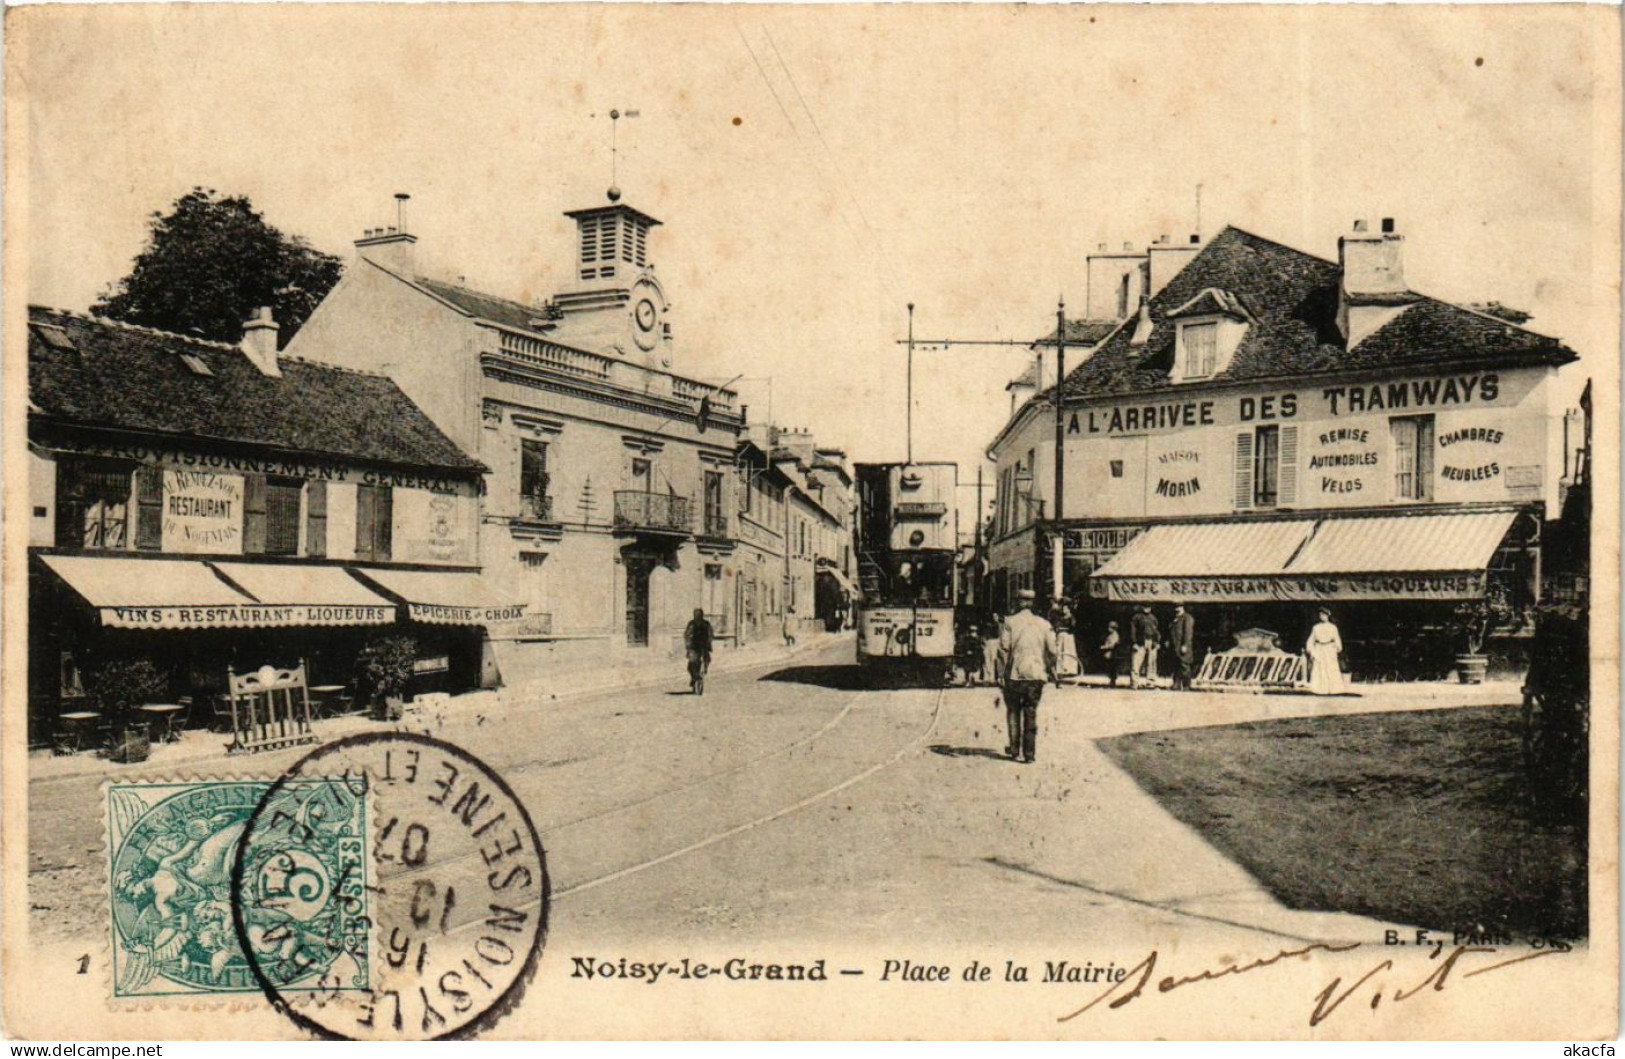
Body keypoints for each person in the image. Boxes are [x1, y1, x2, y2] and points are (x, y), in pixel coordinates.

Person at [997, 589, 1058, 764]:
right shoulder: (1044, 624)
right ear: (1032, 603)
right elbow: (1052, 651)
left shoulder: (1010, 622)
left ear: (1018, 602)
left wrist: (1001, 673)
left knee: (1013, 711)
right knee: (1031, 712)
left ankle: (1015, 749)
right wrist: (1049, 668)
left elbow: (1003, 650)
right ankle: (1029, 754)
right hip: (1036, 675)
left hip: (1015, 675)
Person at [1305, 608, 1345, 695]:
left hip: (1329, 649)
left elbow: (1336, 639)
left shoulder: (1333, 627)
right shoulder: (1316, 627)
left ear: (1327, 616)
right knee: (1320, 668)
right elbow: (1311, 640)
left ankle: (1334, 689)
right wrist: (1311, 650)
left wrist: (1337, 648)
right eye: (1320, 615)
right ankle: (1319, 689)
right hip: (1319, 648)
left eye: (1324, 615)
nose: (1322, 617)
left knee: (1331, 667)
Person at [1130, 605, 1161, 688]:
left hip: (1151, 642)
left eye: (1148, 606)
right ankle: (1134, 682)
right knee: (1136, 663)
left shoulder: (1153, 618)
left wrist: (1157, 642)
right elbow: (1133, 630)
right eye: (1144, 606)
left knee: (1152, 663)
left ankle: (1150, 682)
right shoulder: (1137, 617)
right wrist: (1134, 642)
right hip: (1140, 642)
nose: (1146, 608)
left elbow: (1156, 631)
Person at [684, 608, 714, 695]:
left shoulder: (703, 624)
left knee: (705, 660)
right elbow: (687, 635)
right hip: (697, 647)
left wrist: (709, 642)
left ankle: (700, 673)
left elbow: (710, 634)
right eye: (696, 614)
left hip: (700, 647)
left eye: (697, 614)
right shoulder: (694, 624)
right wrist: (688, 647)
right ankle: (696, 677)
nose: (696, 616)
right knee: (692, 665)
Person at [1168, 602, 1196, 690]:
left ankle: (1186, 685)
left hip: (1182, 646)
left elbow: (1188, 633)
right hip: (1175, 646)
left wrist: (1185, 645)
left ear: (1183, 607)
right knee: (1176, 665)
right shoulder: (1175, 619)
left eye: (1179, 607)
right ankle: (1176, 684)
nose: (1177, 609)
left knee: (1184, 666)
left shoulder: (1187, 618)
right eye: (1176, 607)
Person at [979, 609, 1003, 686]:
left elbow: (1002, 636)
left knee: (994, 660)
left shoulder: (1001, 625)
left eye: (996, 616)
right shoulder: (988, 625)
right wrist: (983, 642)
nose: (994, 617)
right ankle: (986, 678)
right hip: (988, 642)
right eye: (993, 616)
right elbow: (984, 635)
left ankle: (993, 678)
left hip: (996, 642)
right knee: (987, 660)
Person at [1099, 621, 1123, 687]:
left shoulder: (1114, 635)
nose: (1108, 629)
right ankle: (1112, 681)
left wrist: (1103, 647)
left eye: (1110, 627)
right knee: (1111, 667)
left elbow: (1112, 645)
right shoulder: (1111, 634)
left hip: (1112, 653)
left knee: (1112, 667)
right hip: (1111, 653)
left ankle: (1113, 681)